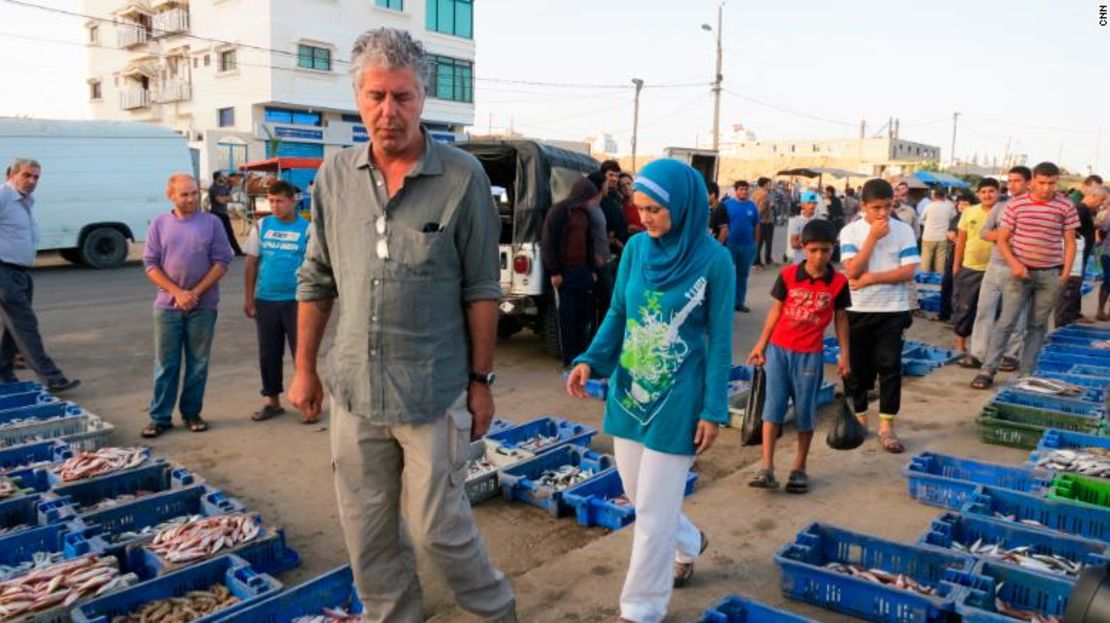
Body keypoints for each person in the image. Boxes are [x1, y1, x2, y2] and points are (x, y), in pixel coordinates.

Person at [289, 28, 516, 623]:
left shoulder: (463, 178)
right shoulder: (333, 177)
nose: (389, 112)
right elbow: (316, 279)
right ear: (358, 97)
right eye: (376, 96)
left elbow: (482, 290)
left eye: (404, 97)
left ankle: (496, 613)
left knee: (438, 527)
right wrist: (304, 369)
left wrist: (481, 380)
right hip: (354, 392)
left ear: (424, 99)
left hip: (434, 390)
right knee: (368, 535)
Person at [566, 158, 733, 623]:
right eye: (640, 209)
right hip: (628, 390)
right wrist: (589, 360)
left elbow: (720, 342)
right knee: (639, 495)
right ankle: (691, 542)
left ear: (682, 204)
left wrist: (714, 409)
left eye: (656, 209)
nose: (646, 219)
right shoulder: (637, 250)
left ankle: (641, 608)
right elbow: (618, 313)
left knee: (654, 515)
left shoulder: (715, 261)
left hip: (680, 400)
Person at [747, 219, 850, 493]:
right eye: (814, 250)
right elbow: (775, 311)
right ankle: (766, 467)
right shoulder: (789, 275)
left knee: (805, 413)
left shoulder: (839, 282)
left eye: (826, 250)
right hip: (779, 352)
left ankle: (799, 468)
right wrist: (760, 345)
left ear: (833, 250)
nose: (819, 256)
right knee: (772, 410)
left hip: (810, 357)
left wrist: (844, 355)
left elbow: (841, 320)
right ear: (803, 247)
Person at [141, 174, 233, 437]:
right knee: (166, 363)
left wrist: (195, 292)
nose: (191, 198)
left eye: (194, 193)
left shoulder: (212, 222)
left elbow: (222, 261)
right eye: (185, 194)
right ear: (171, 195)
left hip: (203, 306)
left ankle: (192, 413)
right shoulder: (159, 224)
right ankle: (159, 417)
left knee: (198, 362)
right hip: (167, 306)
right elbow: (150, 264)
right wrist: (178, 292)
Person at [971, 162, 1078, 388]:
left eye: (1051, 183)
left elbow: (1069, 242)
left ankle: (1025, 374)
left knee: (1037, 326)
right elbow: (1001, 238)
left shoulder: (1066, 206)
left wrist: (1065, 274)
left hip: (1049, 275)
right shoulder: (1016, 205)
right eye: (1042, 183)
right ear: (1033, 181)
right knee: (1006, 322)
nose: (1047, 188)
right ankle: (987, 370)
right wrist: (1015, 265)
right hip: (1019, 274)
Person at [839, 178, 919, 454]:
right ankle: (860, 419)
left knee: (890, 368)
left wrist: (872, 278)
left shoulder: (904, 231)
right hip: (858, 309)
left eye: (887, 207)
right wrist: (872, 237)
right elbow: (851, 271)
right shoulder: (850, 232)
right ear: (863, 206)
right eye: (876, 208)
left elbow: (908, 272)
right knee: (858, 370)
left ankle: (887, 426)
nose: (883, 213)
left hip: (892, 310)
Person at [0, 158, 80, 391]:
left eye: (36, 177)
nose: (32, 181)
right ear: (12, 175)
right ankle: (52, 377)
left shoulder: (26, 201)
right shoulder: (4, 196)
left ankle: (3, 372)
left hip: (21, 272)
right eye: (27, 175)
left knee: (12, 328)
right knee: (26, 324)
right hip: (3, 271)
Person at [243, 180, 310, 422]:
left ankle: (307, 403)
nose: (274, 206)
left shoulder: (308, 229)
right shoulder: (261, 226)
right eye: (270, 201)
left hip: (297, 302)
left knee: (302, 354)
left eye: (280, 201)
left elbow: (315, 267)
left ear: (294, 201)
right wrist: (249, 298)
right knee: (268, 353)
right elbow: (251, 263)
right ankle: (272, 401)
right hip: (266, 300)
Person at [961, 167, 1031, 370]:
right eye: (1010, 181)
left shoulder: (1033, 208)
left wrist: (1006, 237)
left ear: (1028, 182)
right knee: (984, 310)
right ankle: (978, 353)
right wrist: (1003, 236)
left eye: (1017, 180)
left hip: (1020, 266)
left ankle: (1010, 355)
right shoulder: (1000, 207)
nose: (1012, 185)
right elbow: (984, 232)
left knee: (1015, 314)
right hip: (995, 265)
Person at [543, 176, 603, 366]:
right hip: (564, 273)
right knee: (567, 318)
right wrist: (554, 271)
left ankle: (582, 358)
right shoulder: (560, 211)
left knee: (584, 317)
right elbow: (548, 242)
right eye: (589, 197)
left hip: (583, 272)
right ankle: (569, 359)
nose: (591, 202)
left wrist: (592, 268)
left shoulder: (585, 214)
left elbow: (589, 242)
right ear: (581, 195)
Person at [951, 179, 999, 354]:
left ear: (998, 193)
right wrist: (956, 265)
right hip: (970, 267)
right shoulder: (969, 211)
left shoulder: (1004, 212)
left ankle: (986, 348)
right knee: (965, 306)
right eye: (983, 191)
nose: (987, 195)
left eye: (991, 191)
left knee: (992, 310)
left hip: (996, 269)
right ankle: (960, 342)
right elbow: (961, 240)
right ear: (978, 194)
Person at [724, 181, 760, 312]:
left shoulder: (752, 207)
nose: (744, 192)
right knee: (728, 275)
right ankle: (727, 302)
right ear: (735, 190)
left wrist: (756, 243)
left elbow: (756, 226)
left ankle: (739, 302)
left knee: (742, 275)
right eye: (741, 189)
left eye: (746, 189)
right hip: (730, 245)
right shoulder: (727, 205)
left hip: (747, 246)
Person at [938, 194, 969, 322]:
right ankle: (945, 313)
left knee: (960, 287)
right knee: (947, 284)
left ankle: (958, 316)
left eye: (966, 204)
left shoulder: (971, 219)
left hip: (965, 257)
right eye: (960, 203)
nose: (962, 206)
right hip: (952, 255)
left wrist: (956, 239)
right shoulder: (956, 217)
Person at [207, 172, 244, 257]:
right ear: (217, 178)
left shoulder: (223, 187)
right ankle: (212, 253)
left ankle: (238, 252)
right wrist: (225, 198)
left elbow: (230, 198)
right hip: (216, 214)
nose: (224, 177)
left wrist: (224, 198)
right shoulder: (213, 188)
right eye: (222, 176)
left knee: (230, 233)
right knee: (215, 235)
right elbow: (220, 201)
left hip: (224, 213)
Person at [919, 188, 955, 273]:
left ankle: (924, 277)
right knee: (940, 260)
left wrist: (927, 224)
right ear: (944, 196)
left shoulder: (928, 206)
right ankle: (939, 278)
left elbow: (921, 219)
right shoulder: (949, 207)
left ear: (934, 196)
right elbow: (953, 218)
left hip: (928, 236)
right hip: (942, 236)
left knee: (925, 259)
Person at [787, 191, 821, 263]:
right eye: (809, 203)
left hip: (817, 262)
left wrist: (803, 239)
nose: (812, 206)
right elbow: (793, 244)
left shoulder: (820, 220)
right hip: (800, 262)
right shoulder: (797, 221)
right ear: (802, 205)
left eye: (814, 203)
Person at [753, 177, 774, 266]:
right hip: (765, 222)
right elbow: (761, 208)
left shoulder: (754, 193)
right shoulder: (765, 194)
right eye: (769, 184)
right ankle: (760, 261)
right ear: (765, 184)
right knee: (767, 242)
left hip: (757, 221)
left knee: (758, 241)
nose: (770, 186)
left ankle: (758, 260)